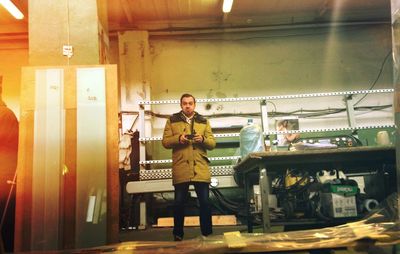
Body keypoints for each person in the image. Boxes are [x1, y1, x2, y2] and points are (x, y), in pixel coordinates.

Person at [162, 93, 216, 241]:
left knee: (205, 203)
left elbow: (212, 143)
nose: (187, 105)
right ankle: (178, 235)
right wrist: (178, 139)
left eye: (190, 103)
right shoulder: (172, 120)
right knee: (179, 203)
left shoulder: (204, 121)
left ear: (194, 105)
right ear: (181, 105)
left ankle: (207, 234)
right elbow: (165, 142)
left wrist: (203, 139)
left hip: (200, 167)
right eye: (184, 103)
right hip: (181, 168)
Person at [0, 75, 18, 252]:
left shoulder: (5, 115)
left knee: (8, 232)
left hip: (5, 186)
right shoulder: (6, 115)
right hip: (5, 184)